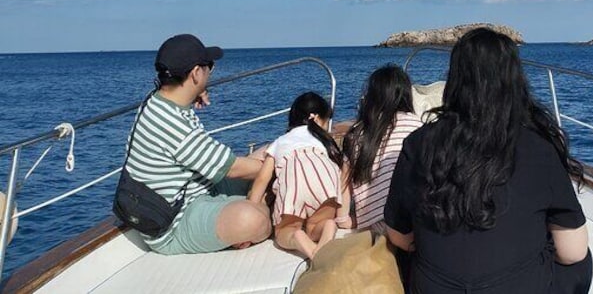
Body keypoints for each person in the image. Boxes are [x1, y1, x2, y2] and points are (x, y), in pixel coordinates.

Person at [384, 27, 592, 293]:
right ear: (514, 81)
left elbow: (399, 236)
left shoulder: (417, 144)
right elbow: (572, 252)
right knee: (581, 263)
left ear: (456, 79)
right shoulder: (539, 149)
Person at [124, 34, 271, 255]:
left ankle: (251, 209)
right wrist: (281, 167)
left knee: (267, 153)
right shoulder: (173, 126)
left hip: (196, 188)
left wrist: (197, 90)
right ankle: (254, 219)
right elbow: (233, 168)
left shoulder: (156, 100)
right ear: (195, 73)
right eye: (209, 66)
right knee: (253, 218)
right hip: (175, 222)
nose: (211, 71)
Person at [248, 91, 345, 259]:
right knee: (316, 225)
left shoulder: (280, 141)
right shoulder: (324, 141)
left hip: (295, 183)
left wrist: (252, 207)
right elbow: (340, 172)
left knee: (284, 233)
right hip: (324, 183)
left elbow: (262, 179)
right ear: (316, 119)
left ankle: (297, 237)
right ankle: (328, 227)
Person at [341, 65, 423, 233]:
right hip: (407, 226)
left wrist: (343, 219)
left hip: (375, 227)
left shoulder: (357, 134)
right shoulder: (415, 125)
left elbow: (344, 177)